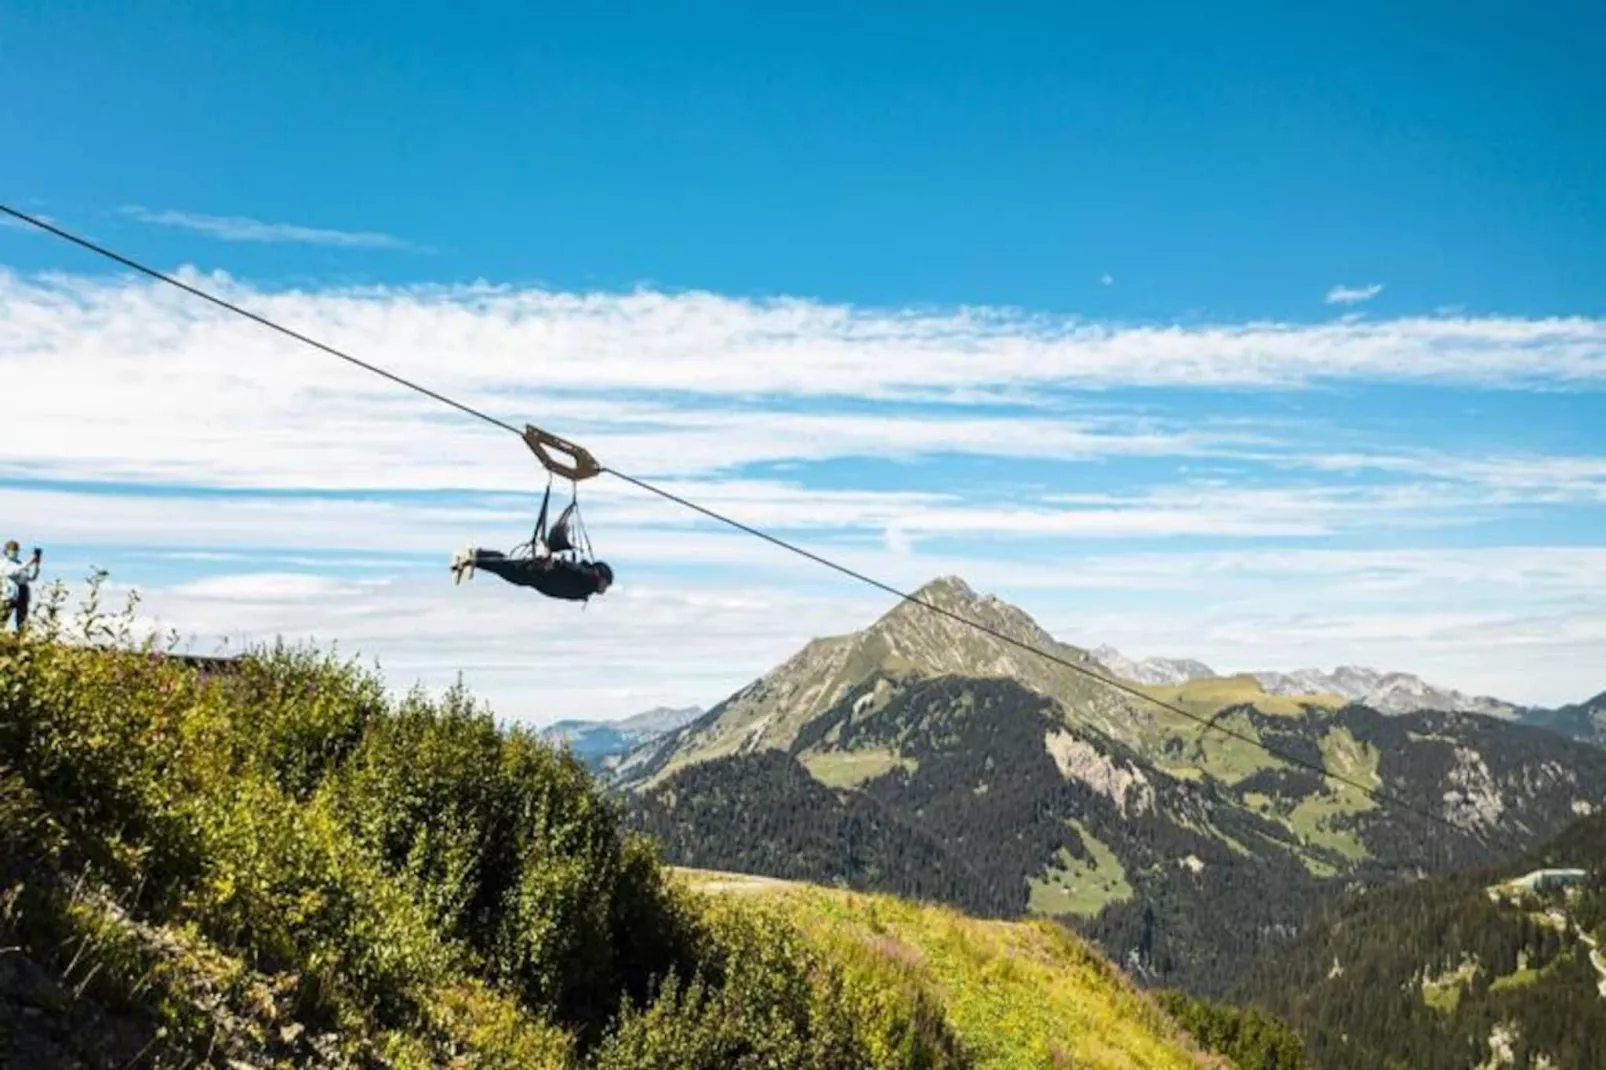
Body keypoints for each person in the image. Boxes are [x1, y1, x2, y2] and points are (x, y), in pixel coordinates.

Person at [451, 544, 613, 603]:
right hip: (541, 575)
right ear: (600, 577)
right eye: (606, 584)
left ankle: (476, 556)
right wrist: (555, 562)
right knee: (508, 567)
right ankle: (474, 557)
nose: (605, 590)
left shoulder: (587, 586)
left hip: (541, 578)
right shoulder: (588, 577)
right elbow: (574, 568)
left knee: (508, 567)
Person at [2, 541, 42, 633]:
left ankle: (20, 639)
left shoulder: (21, 563)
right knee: (2, 618)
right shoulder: (3, 563)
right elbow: (12, 572)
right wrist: (29, 562)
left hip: (23, 593)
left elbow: (31, 577)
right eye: (12, 550)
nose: (14, 552)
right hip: (9, 595)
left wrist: (36, 564)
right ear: (6, 551)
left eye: (16, 550)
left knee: (22, 621)